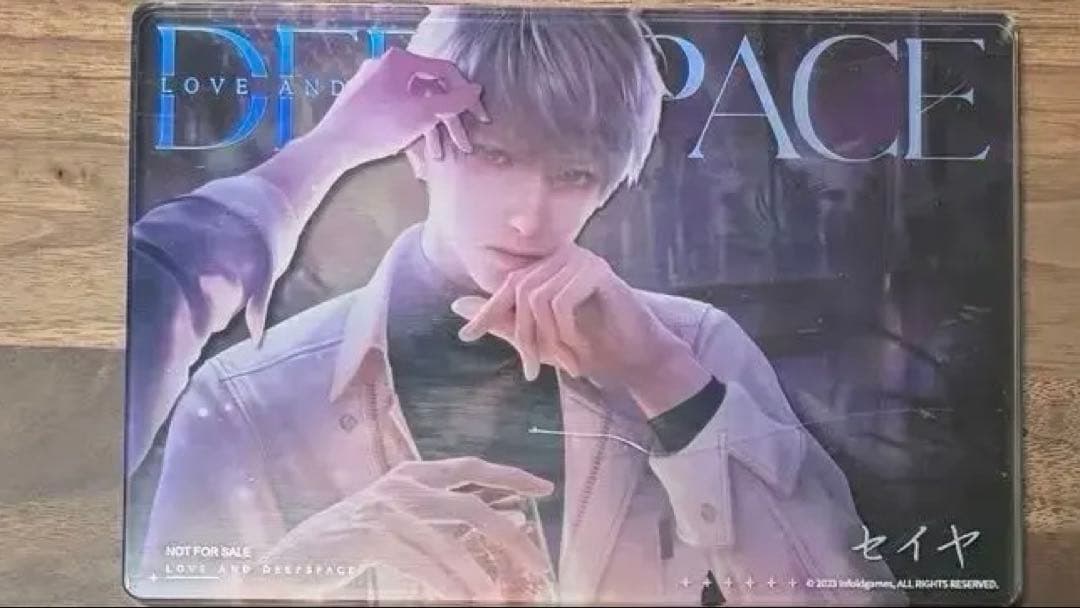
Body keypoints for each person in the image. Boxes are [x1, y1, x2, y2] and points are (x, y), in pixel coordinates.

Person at [126, 7, 903, 604]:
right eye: (495, 156)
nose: (530, 217)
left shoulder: (694, 348)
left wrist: (668, 383)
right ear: (421, 144)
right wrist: (286, 577)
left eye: (574, 175)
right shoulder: (248, 398)